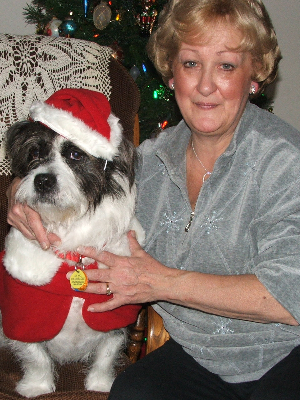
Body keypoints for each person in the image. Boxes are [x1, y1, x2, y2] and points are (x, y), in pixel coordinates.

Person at [6, 0, 300, 398]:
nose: (206, 85)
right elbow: (85, 192)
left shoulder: (285, 159)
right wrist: (17, 194)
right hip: (198, 354)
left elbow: (290, 294)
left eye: (226, 65)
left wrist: (162, 283)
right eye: (191, 63)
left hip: (284, 353)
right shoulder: (148, 161)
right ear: (172, 73)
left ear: (255, 75)